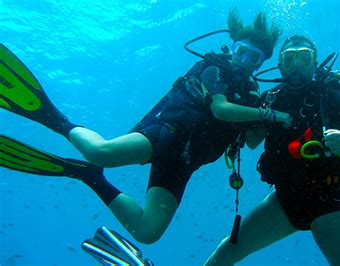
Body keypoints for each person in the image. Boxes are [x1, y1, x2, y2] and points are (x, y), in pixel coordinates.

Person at [0, 9, 291, 244]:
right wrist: (272, 116)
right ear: (232, 49)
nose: (246, 61)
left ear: (262, 63)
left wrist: (273, 115)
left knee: (147, 232)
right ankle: (53, 119)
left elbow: (252, 141)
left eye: (255, 58)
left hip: (184, 163)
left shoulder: (252, 96)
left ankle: (90, 178)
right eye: (242, 52)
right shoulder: (215, 68)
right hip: (167, 135)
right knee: (102, 152)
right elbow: (221, 109)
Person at [204, 35, 340, 266]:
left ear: (314, 62)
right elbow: (251, 141)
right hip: (285, 198)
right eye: (289, 58)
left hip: (326, 202)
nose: (297, 65)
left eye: (304, 57)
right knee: (224, 254)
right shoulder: (271, 100)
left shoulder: (332, 97)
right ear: (280, 64)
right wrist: (237, 104)